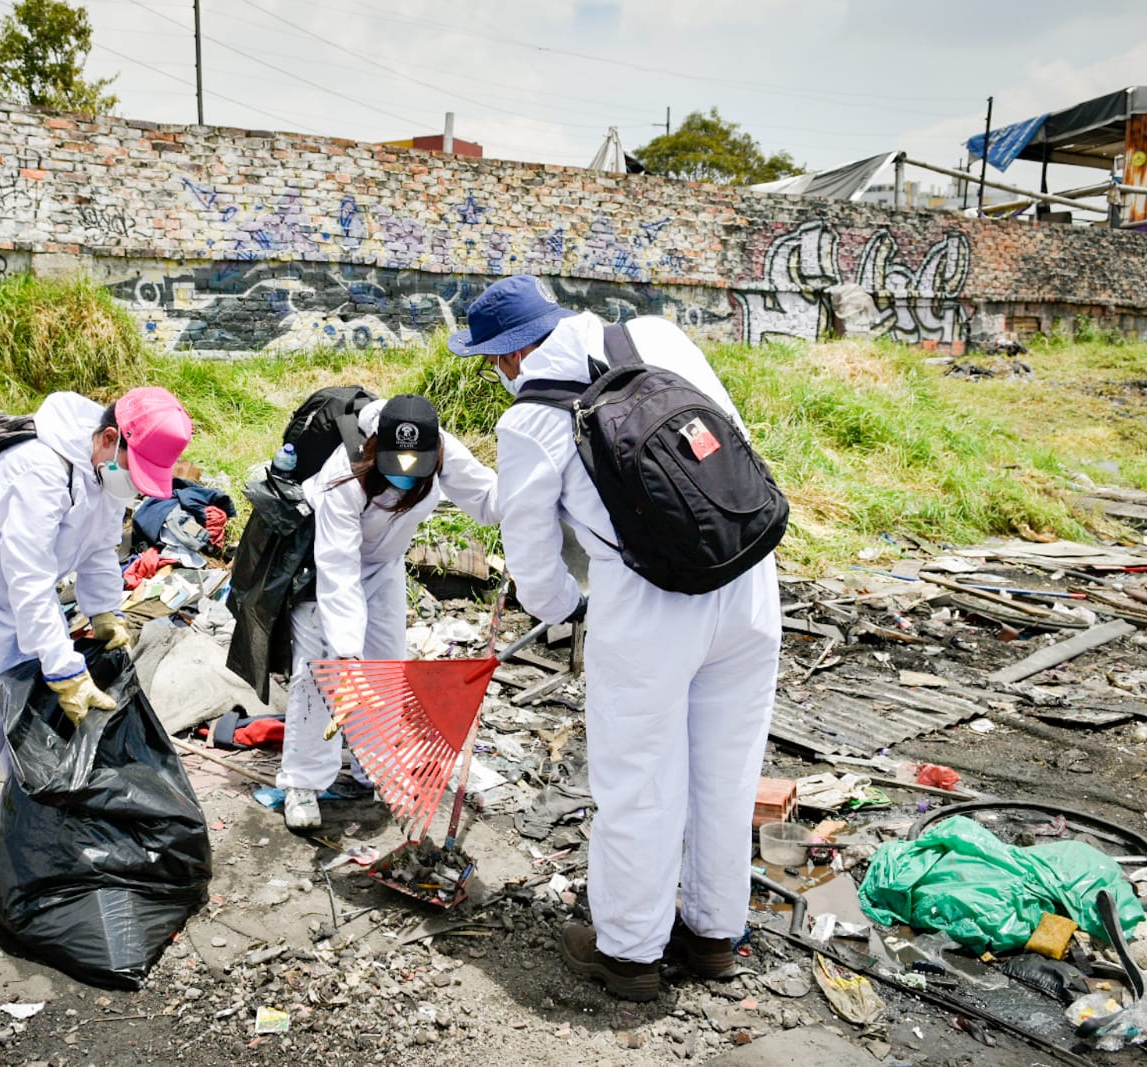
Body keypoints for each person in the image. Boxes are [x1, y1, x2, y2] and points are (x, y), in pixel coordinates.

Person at [449, 276, 781, 1000]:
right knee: (728, 772)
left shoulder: (529, 420)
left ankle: (629, 951)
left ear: (506, 357)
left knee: (639, 781)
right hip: (750, 573)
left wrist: (571, 611)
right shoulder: (658, 337)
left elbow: (537, 575)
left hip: (649, 603)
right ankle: (714, 933)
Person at [0, 387, 193, 907]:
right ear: (110, 438)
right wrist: (64, 668)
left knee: (18, 720)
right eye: (133, 472)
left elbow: (97, 550)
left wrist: (106, 611)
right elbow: (29, 580)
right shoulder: (40, 468)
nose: (132, 487)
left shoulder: (104, 469)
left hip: (22, 600)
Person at [278, 393, 501, 831]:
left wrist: (532, 506)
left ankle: (376, 768)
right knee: (320, 672)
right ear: (375, 450)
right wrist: (345, 657)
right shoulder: (342, 475)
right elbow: (339, 571)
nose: (403, 478)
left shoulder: (443, 450)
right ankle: (303, 782)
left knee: (385, 667)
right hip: (321, 564)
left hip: (384, 566)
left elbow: (490, 500)